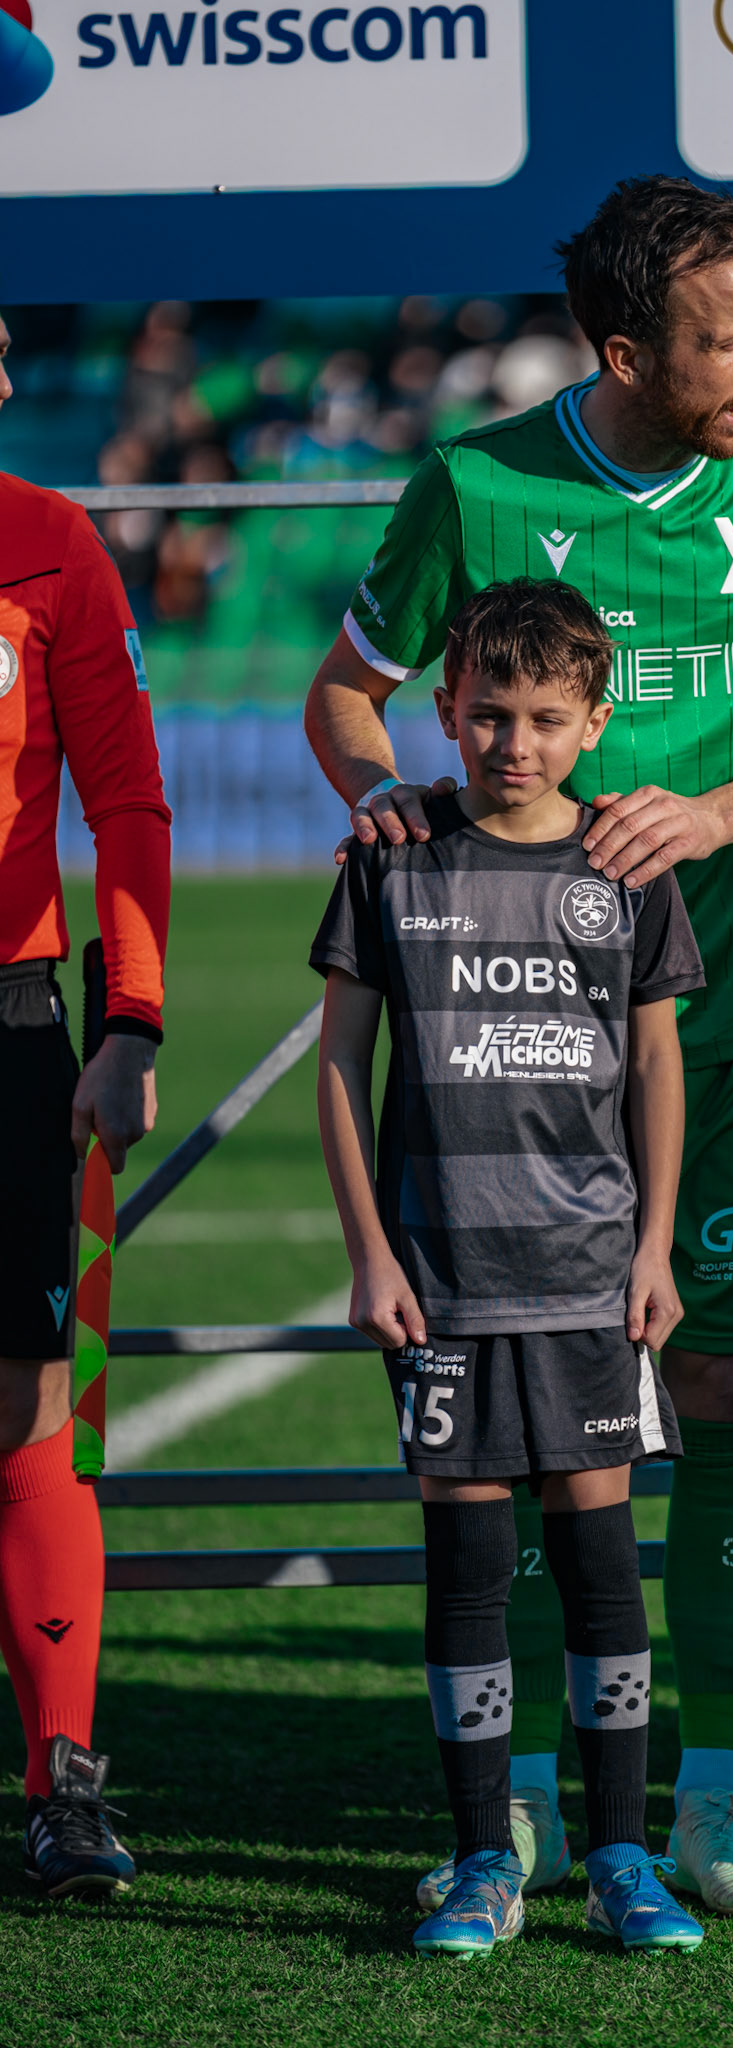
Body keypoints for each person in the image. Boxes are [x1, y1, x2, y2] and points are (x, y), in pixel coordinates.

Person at [304, 175, 733, 1917]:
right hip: (512, 1064)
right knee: (526, 1439)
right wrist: (388, 809)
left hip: (731, 1019)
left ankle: (709, 1796)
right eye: (730, 341)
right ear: (625, 350)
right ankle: (537, 1808)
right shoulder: (480, 483)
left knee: (720, 1387)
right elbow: (345, 694)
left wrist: (717, 815)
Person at [312, 578, 708, 1956]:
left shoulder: (624, 869)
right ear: (445, 711)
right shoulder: (390, 857)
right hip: (445, 1278)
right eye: (489, 714)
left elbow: (654, 1062)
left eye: (546, 719)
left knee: (602, 1568)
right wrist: (370, 1255)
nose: (514, 743)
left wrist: (653, 1248)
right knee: (470, 1563)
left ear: (596, 723)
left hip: (592, 1278)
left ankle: (618, 1855)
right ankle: (484, 1856)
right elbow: (339, 1069)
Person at [0, 315, 172, 1896]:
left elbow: (123, 795)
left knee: (28, 1417)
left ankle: (64, 1782)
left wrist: (130, 1016)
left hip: (12, 1033)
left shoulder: (51, 546)